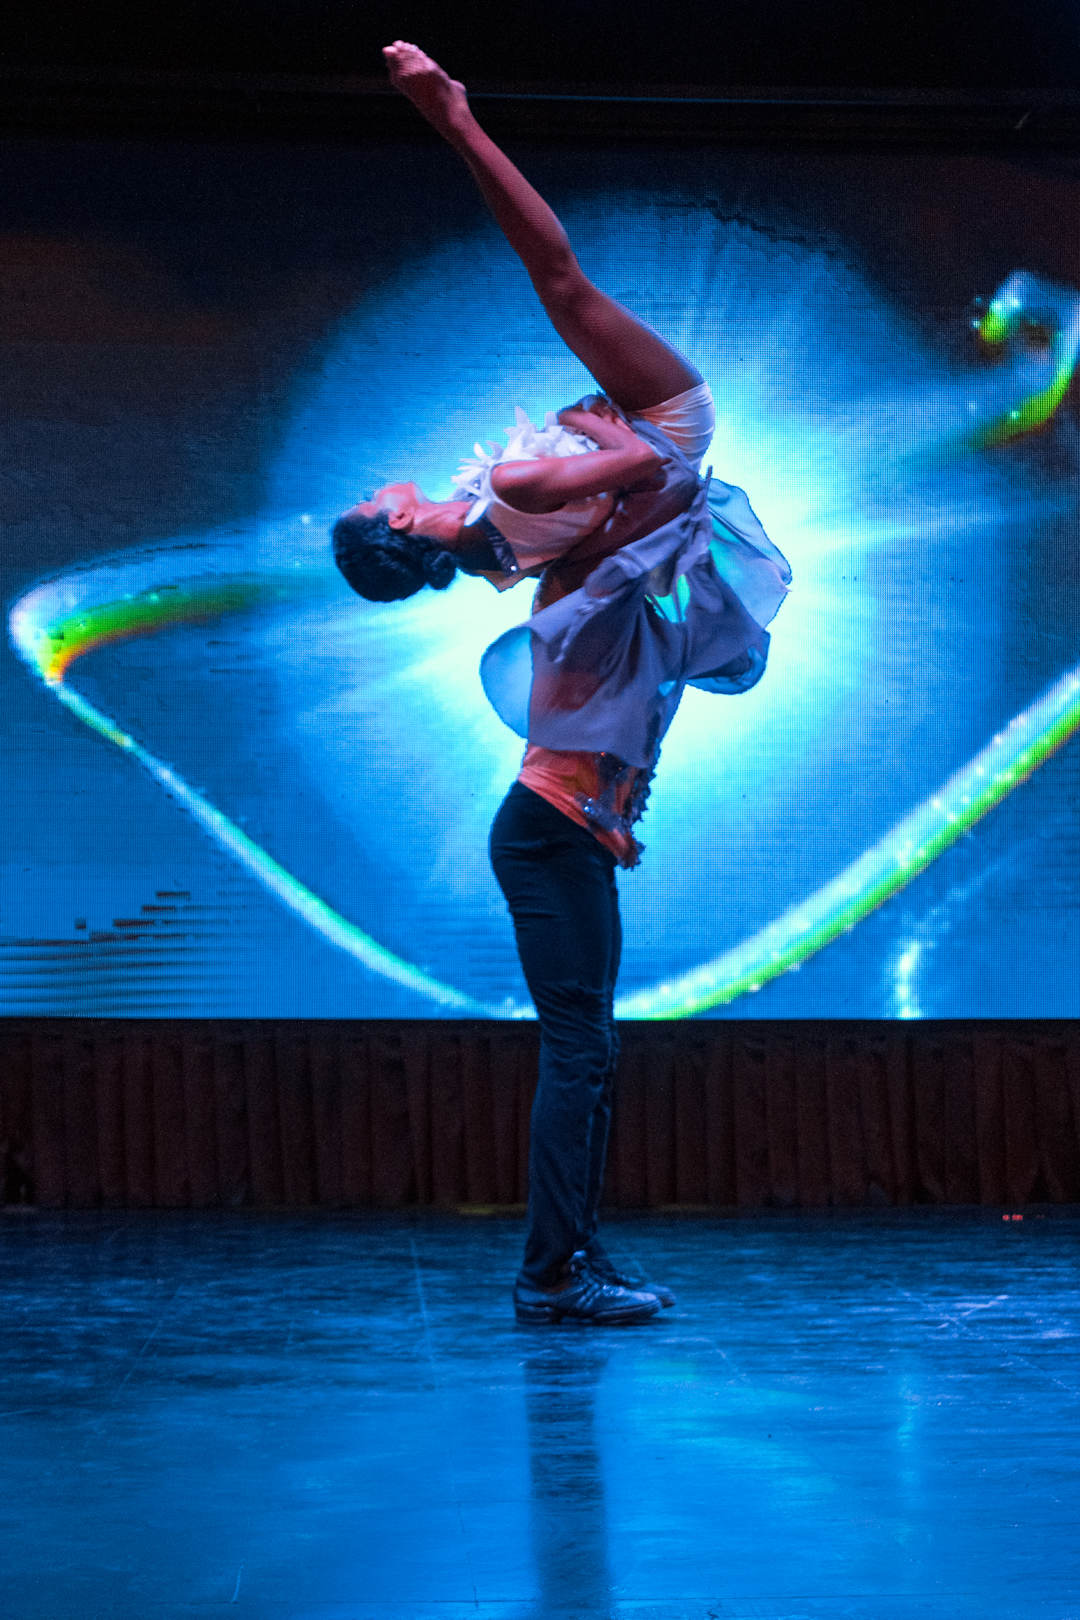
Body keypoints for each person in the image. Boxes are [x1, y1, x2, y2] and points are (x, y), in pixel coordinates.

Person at [334, 43, 790, 1324]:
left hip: (565, 824)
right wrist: (606, 436)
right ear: (397, 528)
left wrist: (616, 472)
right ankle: (553, 1272)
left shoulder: (508, 541)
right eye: (376, 498)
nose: (382, 482)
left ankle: (564, 1262)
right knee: (582, 1045)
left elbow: (626, 532)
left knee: (586, 1044)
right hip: (552, 822)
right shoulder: (516, 493)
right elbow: (664, 474)